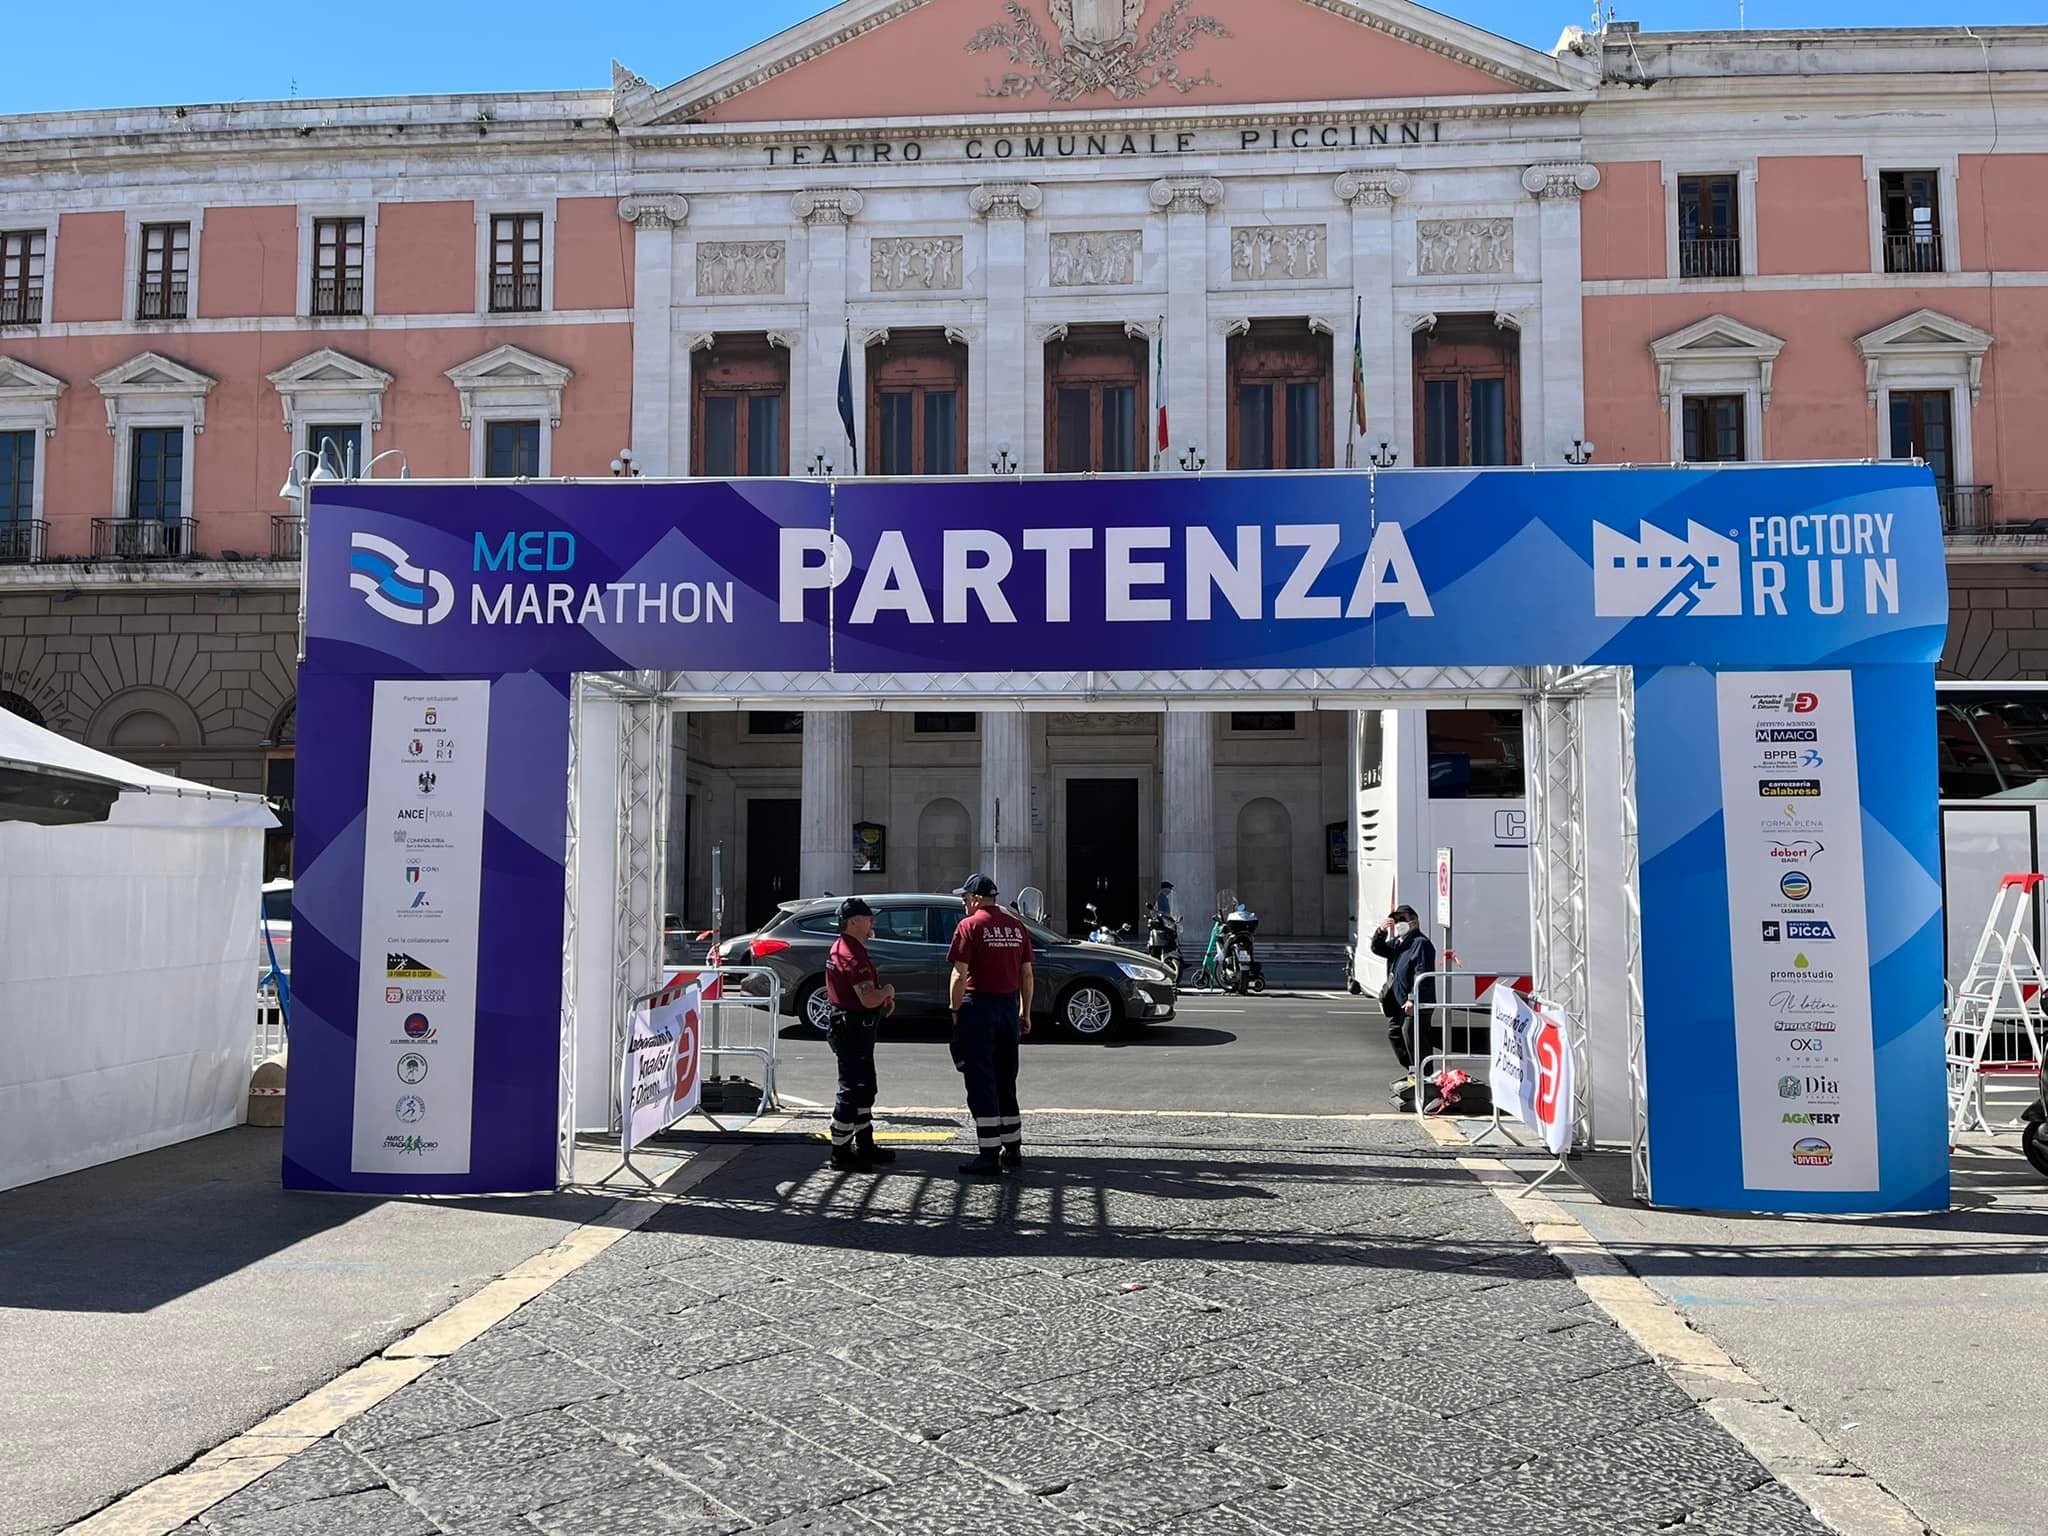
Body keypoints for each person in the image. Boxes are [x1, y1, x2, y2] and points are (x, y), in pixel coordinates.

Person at [945, 873, 1034, 1176]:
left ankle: (988, 1154)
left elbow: (959, 975)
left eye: (964, 898)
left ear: (975, 899)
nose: (963, 903)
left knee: (981, 1080)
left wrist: (955, 1010)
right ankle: (1013, 1148)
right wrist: (1025, 1012)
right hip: (1008, 1007)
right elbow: (1027, 974)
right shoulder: (1017, 926)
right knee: (1005, 1078)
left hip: (978, 1007)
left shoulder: (969, 926)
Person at [824, 896, 896, 1172]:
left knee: (864, 1087)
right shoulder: (851, 954)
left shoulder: (846, 947)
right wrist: (887, 991)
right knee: (853, 1088)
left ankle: (865, 1144)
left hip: (854, 1026)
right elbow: (867, 998)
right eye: (868, 918)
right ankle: (841, 1151)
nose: (872, 922)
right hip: (852, 1027)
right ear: (853, 922)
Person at [1370, 904, 1438, 1072]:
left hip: (1415, 1003)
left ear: (1414, 922)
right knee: (1396, 1034)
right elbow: (1378, 948)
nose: (1398, 923)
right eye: (1396, 920)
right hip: (1399, 1002)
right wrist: (1381, 931)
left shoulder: (1421, 943)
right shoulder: (1398, 943)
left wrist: (1413, 999)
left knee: (1415, 1038)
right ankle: (1413, 1070)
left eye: (1402, 919)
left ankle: (1424, 1075)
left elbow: (1422, 974)